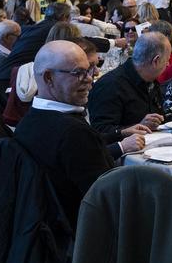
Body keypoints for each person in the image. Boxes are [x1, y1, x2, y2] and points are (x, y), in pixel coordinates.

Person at [13, 40, 130, 229]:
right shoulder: (73, 133)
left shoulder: (27, 122)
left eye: (90, 70)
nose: (90, 78)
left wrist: (120, 135)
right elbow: (108, 200)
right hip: (82, 236)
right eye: (79, 73)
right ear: (49, 77)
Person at [87, 32, 169, 137]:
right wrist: (137, 126)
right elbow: (100, 132)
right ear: (156, 61)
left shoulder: (151, 80)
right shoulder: (110, 85)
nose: (168, 64)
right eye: (167, 60)